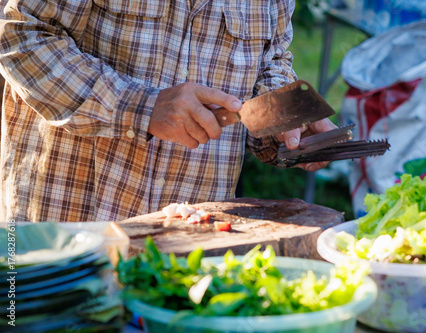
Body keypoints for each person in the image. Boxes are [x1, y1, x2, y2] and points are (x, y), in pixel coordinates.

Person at [0, 0, 335, 222]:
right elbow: (18, 32)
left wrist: (281, 115)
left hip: (189, 240)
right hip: (65, 225)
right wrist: (142, 106)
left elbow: (271, 60)